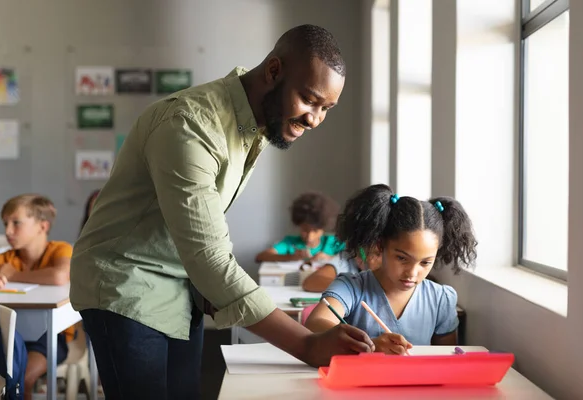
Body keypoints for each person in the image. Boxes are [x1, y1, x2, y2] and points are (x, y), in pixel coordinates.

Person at [70, 24, 374, 399]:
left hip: (180, 287)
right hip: (126, 283)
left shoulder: (251, 126)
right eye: (309, 99)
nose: (314, 118)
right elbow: (210, 259)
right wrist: (308, 345)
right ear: (274, 71)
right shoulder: (190, 124)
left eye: (326, 108)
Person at [305, 184, 477, 355]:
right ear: (380, 245)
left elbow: (447, 357)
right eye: (402, 258)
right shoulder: (351, 287)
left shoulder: (441, 299)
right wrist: (370, 345)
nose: (412, 273)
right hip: (360, 381)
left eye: (425, 263)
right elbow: (316, 322)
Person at [0, 194, 73, 400]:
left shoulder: (60, 249)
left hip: (51, 335)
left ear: (43, 226)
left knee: (22, 378)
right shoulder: (5, 258)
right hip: (11, 335)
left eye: (16, 223)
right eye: (5, 223)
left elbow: (59, 276)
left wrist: (14, 276)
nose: (8, 231)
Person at [255, 192, 343, 263]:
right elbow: (261, 256)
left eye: (315, 231)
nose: (310, 236)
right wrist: (292, 257)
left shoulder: (332, 242)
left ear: (322, 228)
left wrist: (329, 257)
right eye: (305, 230)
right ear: (299, 225)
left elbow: (353, 258)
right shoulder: (290, 242)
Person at [301, 248, 382, 292]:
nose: (359, 258)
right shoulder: (348, 257)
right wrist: (354, 287)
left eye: (377, 253)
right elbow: (311, 282)